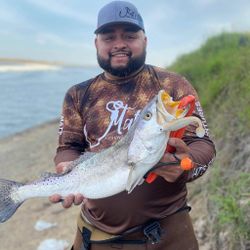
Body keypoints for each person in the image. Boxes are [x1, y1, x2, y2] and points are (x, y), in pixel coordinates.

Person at [50, 1, 216, 249]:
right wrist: (67, 168)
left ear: (144, 40)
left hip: (169, 234)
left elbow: (204, 144)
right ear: (97, 43)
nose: (119, 44)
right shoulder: (78, 94)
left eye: (129, 35)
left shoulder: (171, 87)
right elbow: (69, 146)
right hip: (96, 236)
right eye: (108, 37)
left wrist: (185, 165)